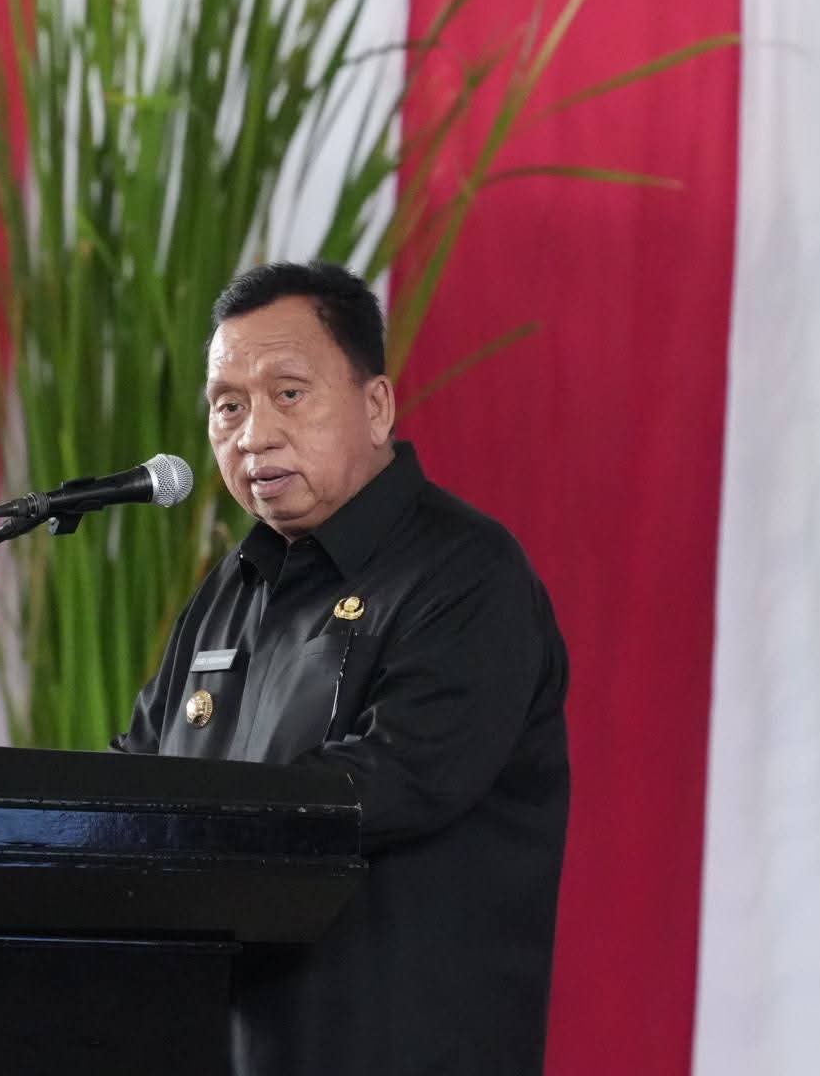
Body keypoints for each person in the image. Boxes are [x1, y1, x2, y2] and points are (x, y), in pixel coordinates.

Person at [114, 262, 571, 1074]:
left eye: (288, 393)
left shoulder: (468, 574)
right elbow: (134, 772)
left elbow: (393, 782)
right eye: (228, 406)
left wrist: (184, 818)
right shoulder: (229, 588)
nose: (253, 434)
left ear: (376, 406)